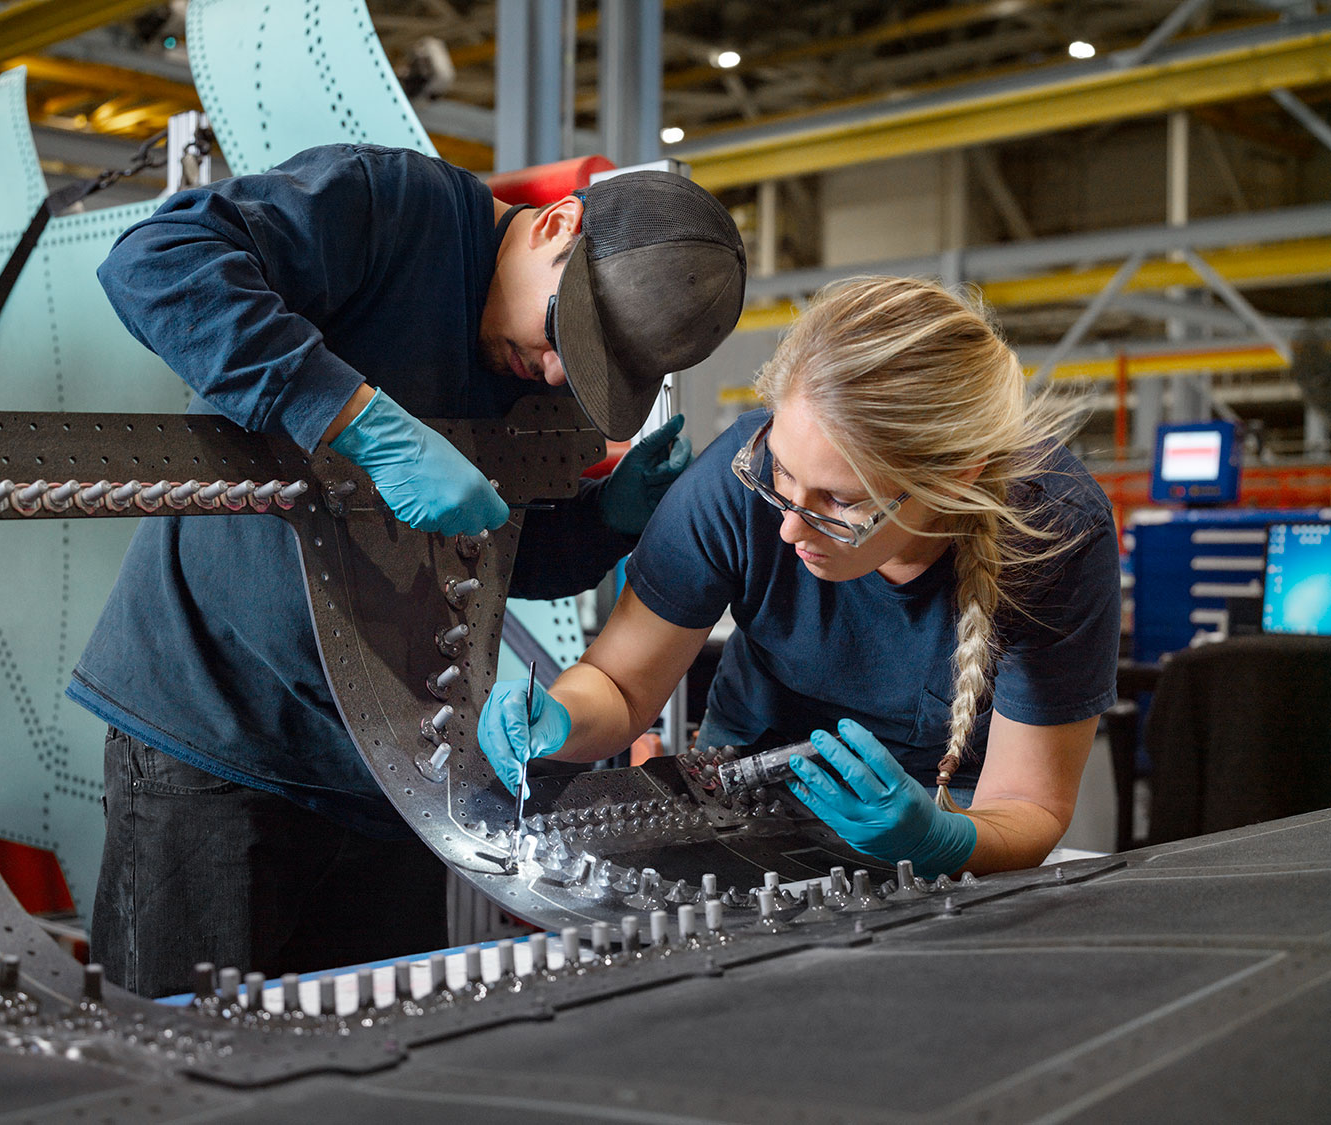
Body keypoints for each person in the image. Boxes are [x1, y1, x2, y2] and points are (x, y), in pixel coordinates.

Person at [67, 143, 747, 997]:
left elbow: (489, 557)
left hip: (392, 773)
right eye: (555, 340)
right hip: (214, 734)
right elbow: (155, 263)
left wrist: (602, 525)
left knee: (375, 1056)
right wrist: (359, 422)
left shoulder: (539, 366)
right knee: (177, 1059)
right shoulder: (388, 206)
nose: (550, 374)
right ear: (557, 224)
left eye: (579, 370)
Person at [479, 276, 1121, 880]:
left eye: (842, 501)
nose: (790, 527)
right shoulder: (734, 484)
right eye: (781, 473)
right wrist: (558, 716)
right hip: (748, 773)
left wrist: (939, 839)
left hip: (959, 809)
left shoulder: (1053, 533)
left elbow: (1027, 806)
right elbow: (619, 684)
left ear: (957, 480)